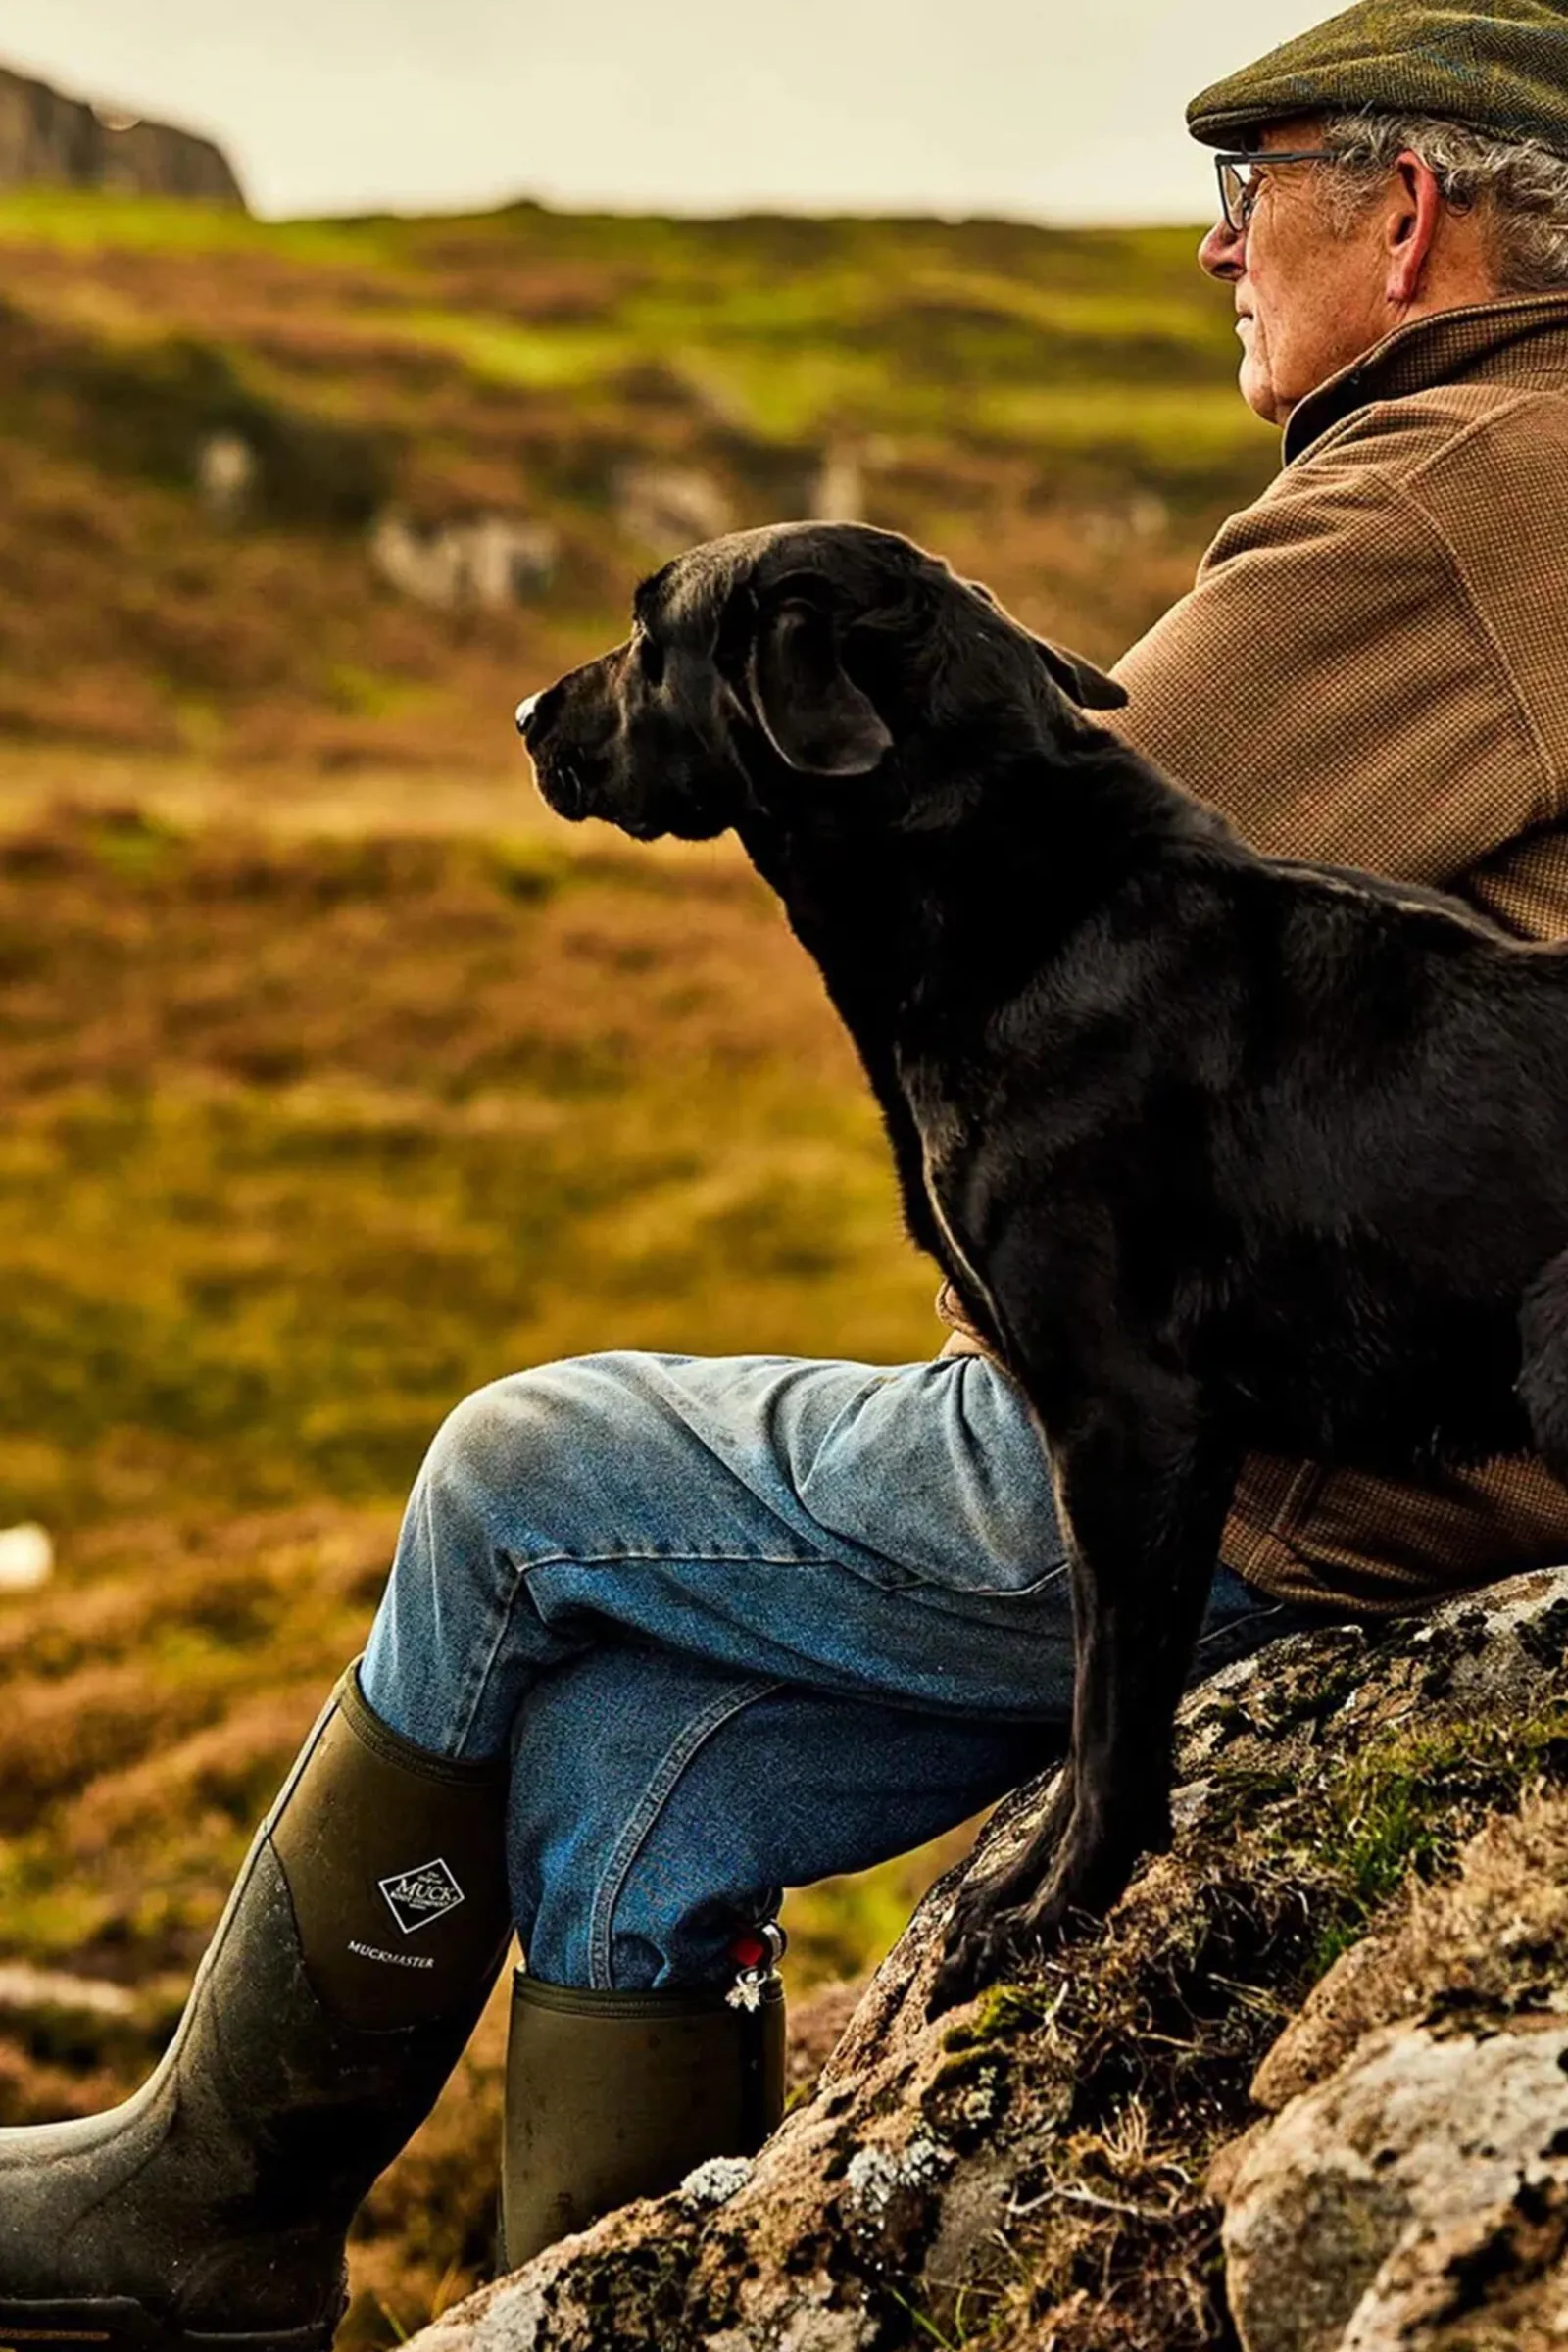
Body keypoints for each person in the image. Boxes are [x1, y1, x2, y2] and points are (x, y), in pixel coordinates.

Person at [7, 0, 1568, 2337]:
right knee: (640, 1774)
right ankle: (587, 2294)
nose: (1213, 247)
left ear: (1408, 211)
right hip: (1390, 1390)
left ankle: (195, 2207)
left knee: (518, 1471)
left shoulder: (1454, 488)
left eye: (1248, 195)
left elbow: (1062, 844)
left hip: (1319, 1459)